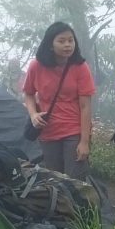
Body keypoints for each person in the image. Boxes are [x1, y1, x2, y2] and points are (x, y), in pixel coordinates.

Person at [23, 22, 96, 179]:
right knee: (54, 179)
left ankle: (80, 205)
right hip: (48, 131)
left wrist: (84, 142)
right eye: (61, 41)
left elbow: (85, 106)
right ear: (50, 44)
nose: (67, 45)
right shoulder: (36, 66)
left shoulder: (80, 67)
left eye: (71, 40)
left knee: (75, 180)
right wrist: (33, 115)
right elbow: (28, 93)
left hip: (74, 130)